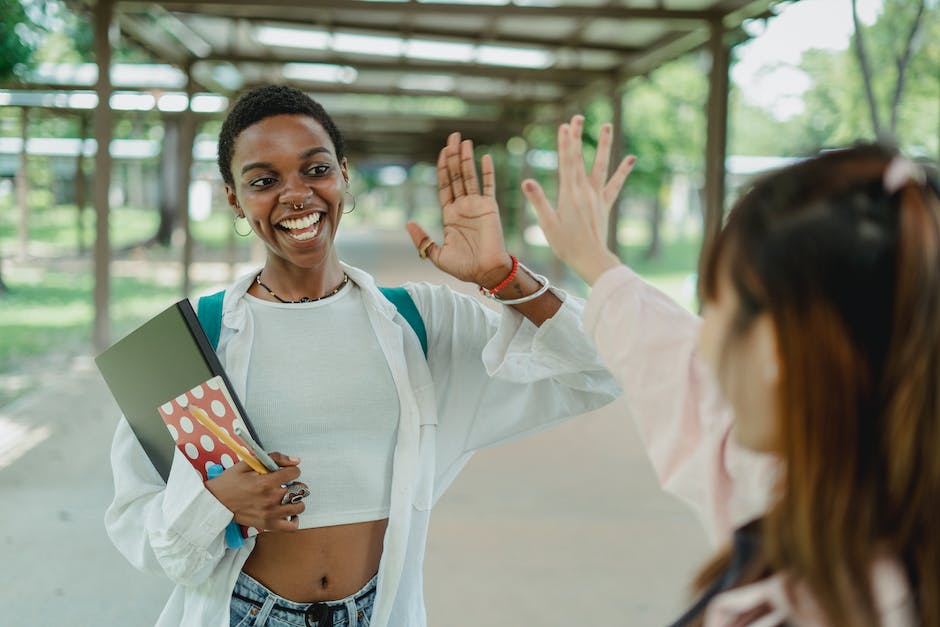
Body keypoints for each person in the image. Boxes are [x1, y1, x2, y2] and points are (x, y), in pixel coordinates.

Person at [104, 84, 626, 627]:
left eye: (315, 170)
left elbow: (604, 367)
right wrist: (216, 504)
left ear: (343, 174)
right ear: (234, 198)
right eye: (263, 181)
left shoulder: (422, 324)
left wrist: (504, 277)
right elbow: (138, 526)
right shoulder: (192, 342)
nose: (296, 194)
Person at [525, 116, 938, 626]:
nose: (701, 342)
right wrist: (594, 260)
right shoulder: (841, 491)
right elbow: (683, 374)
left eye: (712, 305)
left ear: (772, 350)